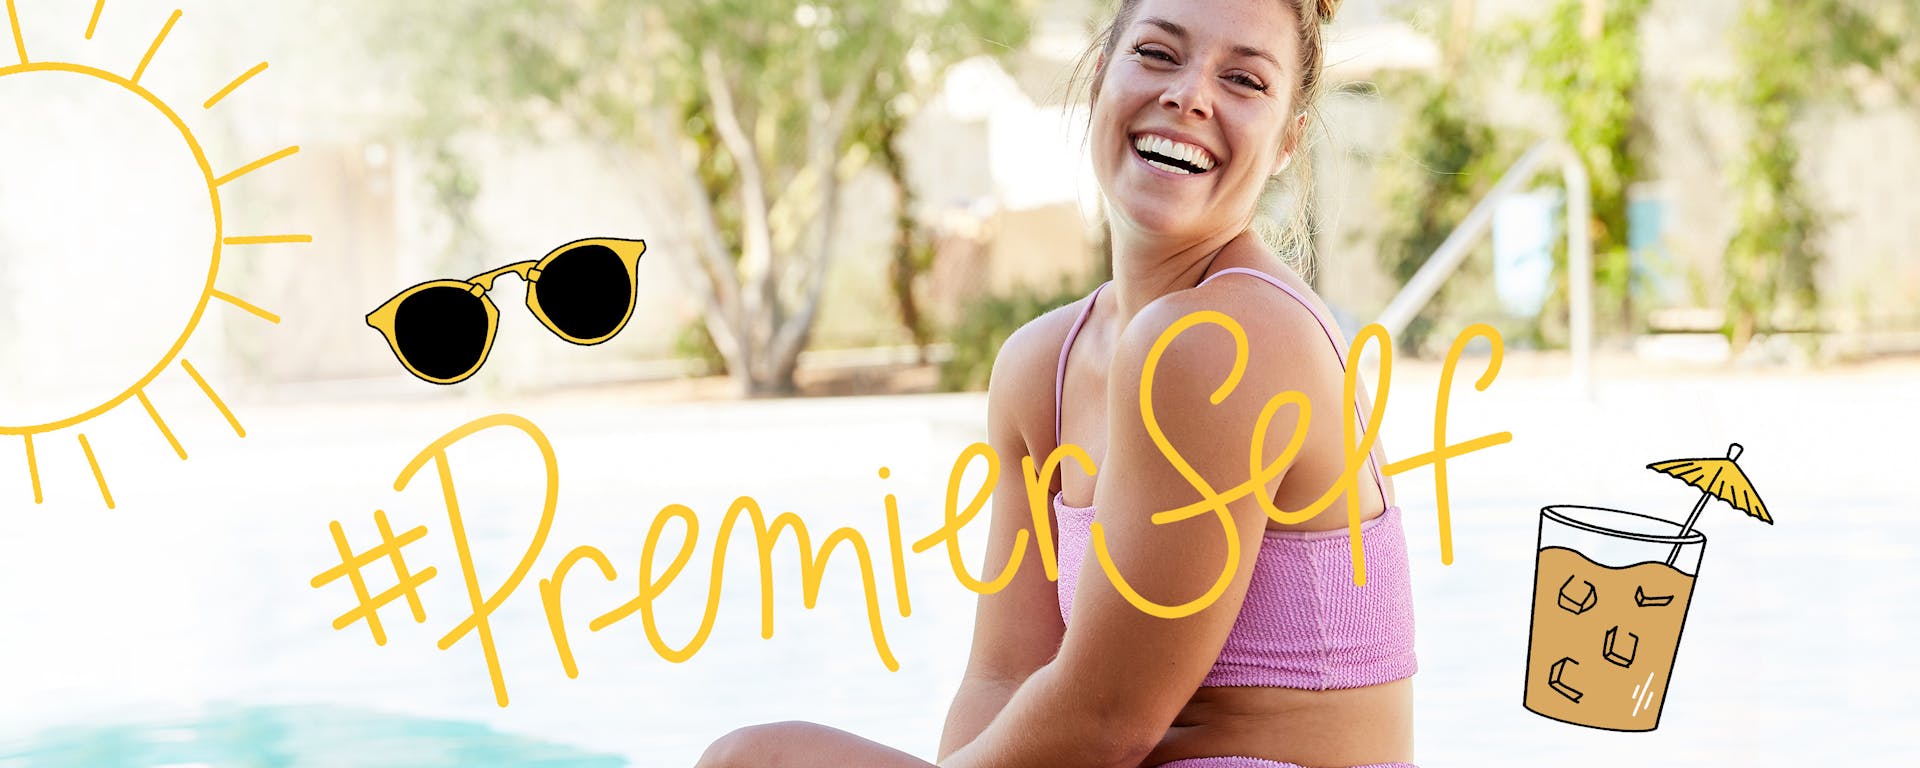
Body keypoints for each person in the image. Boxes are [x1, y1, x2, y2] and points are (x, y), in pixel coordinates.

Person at [696, 0, 1416, 765]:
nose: (1191, 95)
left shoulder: (1225, 341)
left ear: (1286, 143)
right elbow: (1002, 679)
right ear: (1102, 74)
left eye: (1243, 79)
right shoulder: (1042, 366)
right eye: (1158, 54)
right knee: (756, 758)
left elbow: (1107, 721)